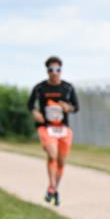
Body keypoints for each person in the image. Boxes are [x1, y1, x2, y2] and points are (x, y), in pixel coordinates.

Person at [28, 56, 79, 206]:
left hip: (63, 129)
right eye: (51, 69)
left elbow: (76, 107)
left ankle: (53, 189)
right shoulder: (40, 88)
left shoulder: (68, 88)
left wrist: (68, 108)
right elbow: (30, 104)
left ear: (61, 71)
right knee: (52, 154)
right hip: (46, 127)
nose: (54, 72)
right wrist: (35, 112)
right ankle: (52, 185)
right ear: (47, 71)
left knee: (61, 161)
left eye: (57, 69)